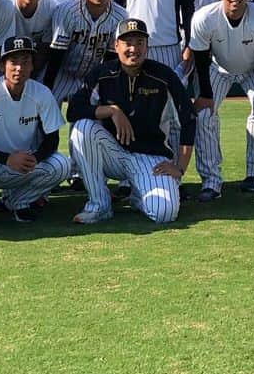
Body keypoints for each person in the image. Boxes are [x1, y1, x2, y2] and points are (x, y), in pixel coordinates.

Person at [67, 18, 197, 225]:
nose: (133, 48)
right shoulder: (102, 74)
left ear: (147, 46)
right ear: (115, 45)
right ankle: (99, 205)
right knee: (82, 128)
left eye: (139, 42)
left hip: (151, 158)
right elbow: (73, 110)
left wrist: (180, 167)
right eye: (127, 42)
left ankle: (139, 197)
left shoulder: (163, 76)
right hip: (113, 154)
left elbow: (188, 118)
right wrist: (111, 111)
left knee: (165, 214)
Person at [189, 0, 254, 203]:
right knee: (204, 115)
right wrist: (205, 94)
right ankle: (211, 182)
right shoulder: (204, 17)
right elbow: (199, 56)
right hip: (219, 69)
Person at [0, 36, 70, 227]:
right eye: (13, 62)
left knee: (62, 165)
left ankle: (19, 201)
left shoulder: (42, 92)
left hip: (25, 162)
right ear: (1, 66)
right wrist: (7, 159)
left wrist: (36, 158)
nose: (19, 68)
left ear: (32, 66)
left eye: (25, 62)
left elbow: (52, 138)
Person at [44, 0, 129, 105]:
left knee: (89, 120)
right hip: (61, 73)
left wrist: (104, 86)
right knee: (47, 114)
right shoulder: (68, 11)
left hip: (92, 74)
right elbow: (56, 55)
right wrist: (47, 89)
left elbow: (111, 57)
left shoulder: (120, 16)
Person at [5, 0, 57, 76]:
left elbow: (45, 48)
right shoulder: (5, 5)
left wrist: (30, 76)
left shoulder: (51, 7)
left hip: (35, 64)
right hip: (4, 63)